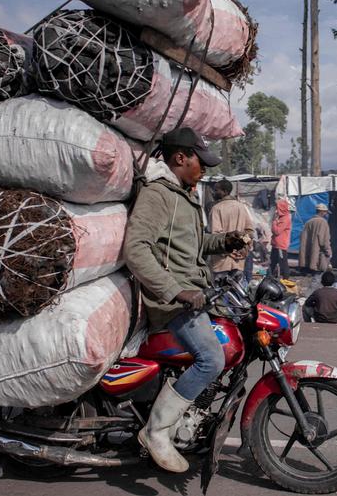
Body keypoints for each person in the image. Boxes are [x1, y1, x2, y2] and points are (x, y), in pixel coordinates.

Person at [123, 127, 246, 473]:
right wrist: (176, 291)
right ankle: (157, 431)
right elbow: (136, 248)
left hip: (193, 294)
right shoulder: (158, 195)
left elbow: (192, 246)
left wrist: (224, 242)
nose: (204, 169)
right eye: (200, 161)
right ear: (180, 158)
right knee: (211, 358)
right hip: (173, 302)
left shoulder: (185, 196)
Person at [208, 179, 254, 277]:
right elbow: (249, 232)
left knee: (220, 290)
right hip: (238, 261)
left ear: (225, 191)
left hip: (222, 262)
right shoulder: (241, 207)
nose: (214, 193)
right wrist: (242, 249)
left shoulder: (216, 209)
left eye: (216, 190)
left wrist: (230, 251)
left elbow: (216, 237)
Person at [299, 203, 331, 274]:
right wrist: (328, 250)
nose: (326, 214)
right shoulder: (323, 222)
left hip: (308, 253)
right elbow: (323, 239)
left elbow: (302, 237)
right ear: (322, 212)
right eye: (325, 212)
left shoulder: (308, 222)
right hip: (318, 254)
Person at [270, 198, 292, 279]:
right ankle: (269, 278)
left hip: (280, 246)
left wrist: (274, 222)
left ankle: (286, 280)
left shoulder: (285, 218)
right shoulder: (280, 217)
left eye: (277, 207)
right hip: (276, 244)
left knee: (283, 263)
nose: (276, 209)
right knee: (272, 262)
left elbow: (277, 231)